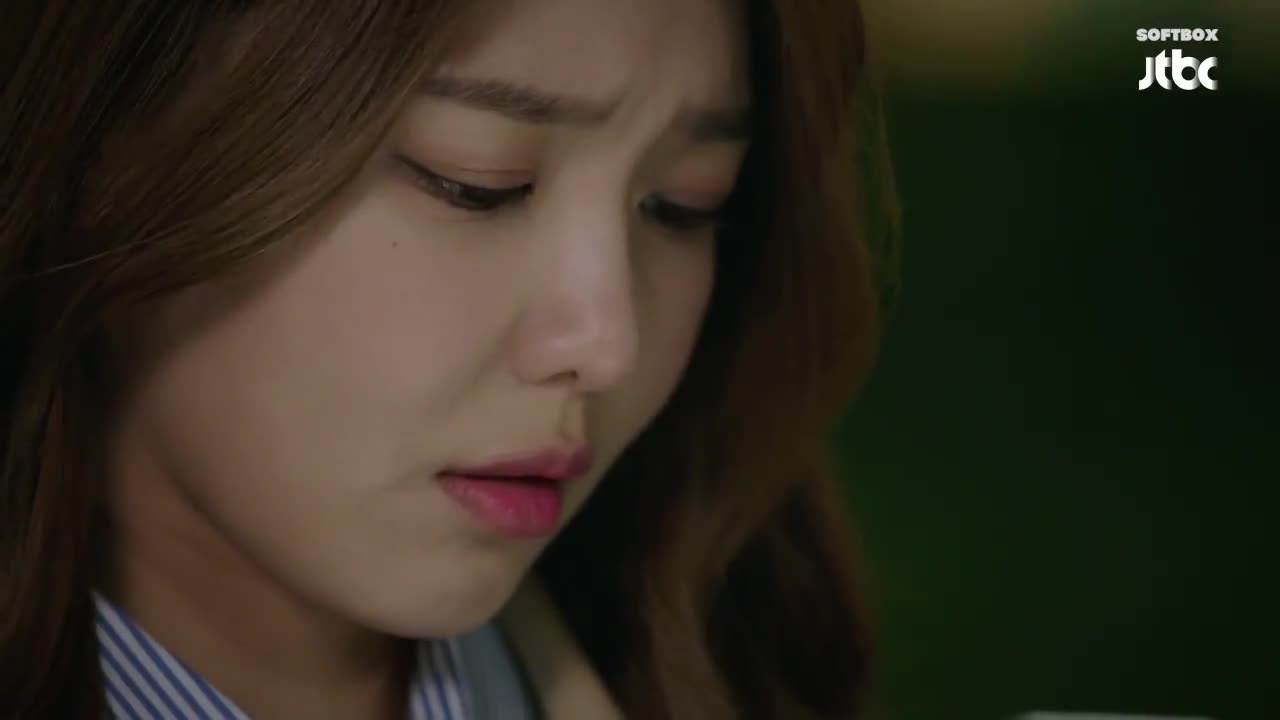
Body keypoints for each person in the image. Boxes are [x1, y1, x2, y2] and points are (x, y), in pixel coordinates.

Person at [0, 0, 896, 717]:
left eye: (683, 204)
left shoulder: (745, 675)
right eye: (476, 183)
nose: (606, 343)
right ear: (101, 147)